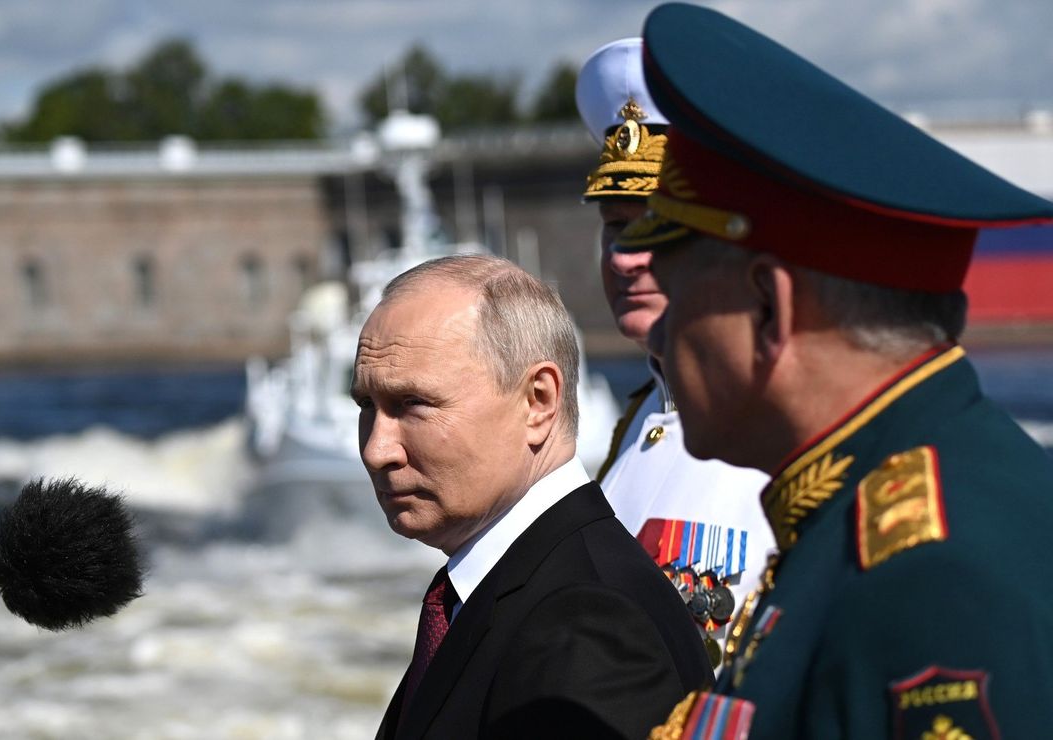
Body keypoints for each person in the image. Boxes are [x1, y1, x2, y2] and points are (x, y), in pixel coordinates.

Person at [612, 4, 1053, 739]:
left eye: (677, 291)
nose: (659, 327)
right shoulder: (877, 510)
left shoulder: (930, 580)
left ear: (766, 308)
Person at [352, 253, 712, 740]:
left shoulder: (586, 624)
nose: (377, 449)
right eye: (367, 406)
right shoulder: (515, 586)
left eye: (413, 404)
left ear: (538, 401)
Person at [575, 37, 775, 669]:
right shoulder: (636, 424)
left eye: (658, 226)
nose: (625, 256)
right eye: (615, 226)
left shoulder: (784, 435)